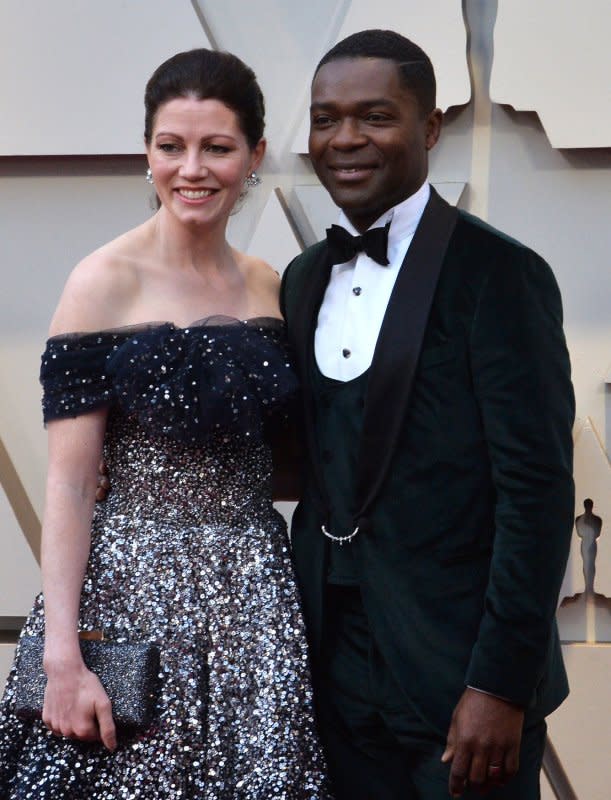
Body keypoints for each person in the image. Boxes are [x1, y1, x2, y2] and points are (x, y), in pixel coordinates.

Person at [0, 48, 330, 799]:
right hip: (129, 588)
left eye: (216, 147)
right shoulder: (100, 282)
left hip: (253, 589)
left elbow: (286, 451)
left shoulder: (270, 285)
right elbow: (72, 482)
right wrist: (59, 656)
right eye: (170, 146)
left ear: (253, 156)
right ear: (145, 152)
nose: (192, 169)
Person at [279, 29, 575, 800]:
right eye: (324, 118)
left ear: (430, 128)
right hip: (334, 667)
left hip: (460, 680)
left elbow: (536, 494)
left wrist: (500, 685)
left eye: (374, 116)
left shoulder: (499, 273)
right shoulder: (303, 277)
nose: (344, 139)